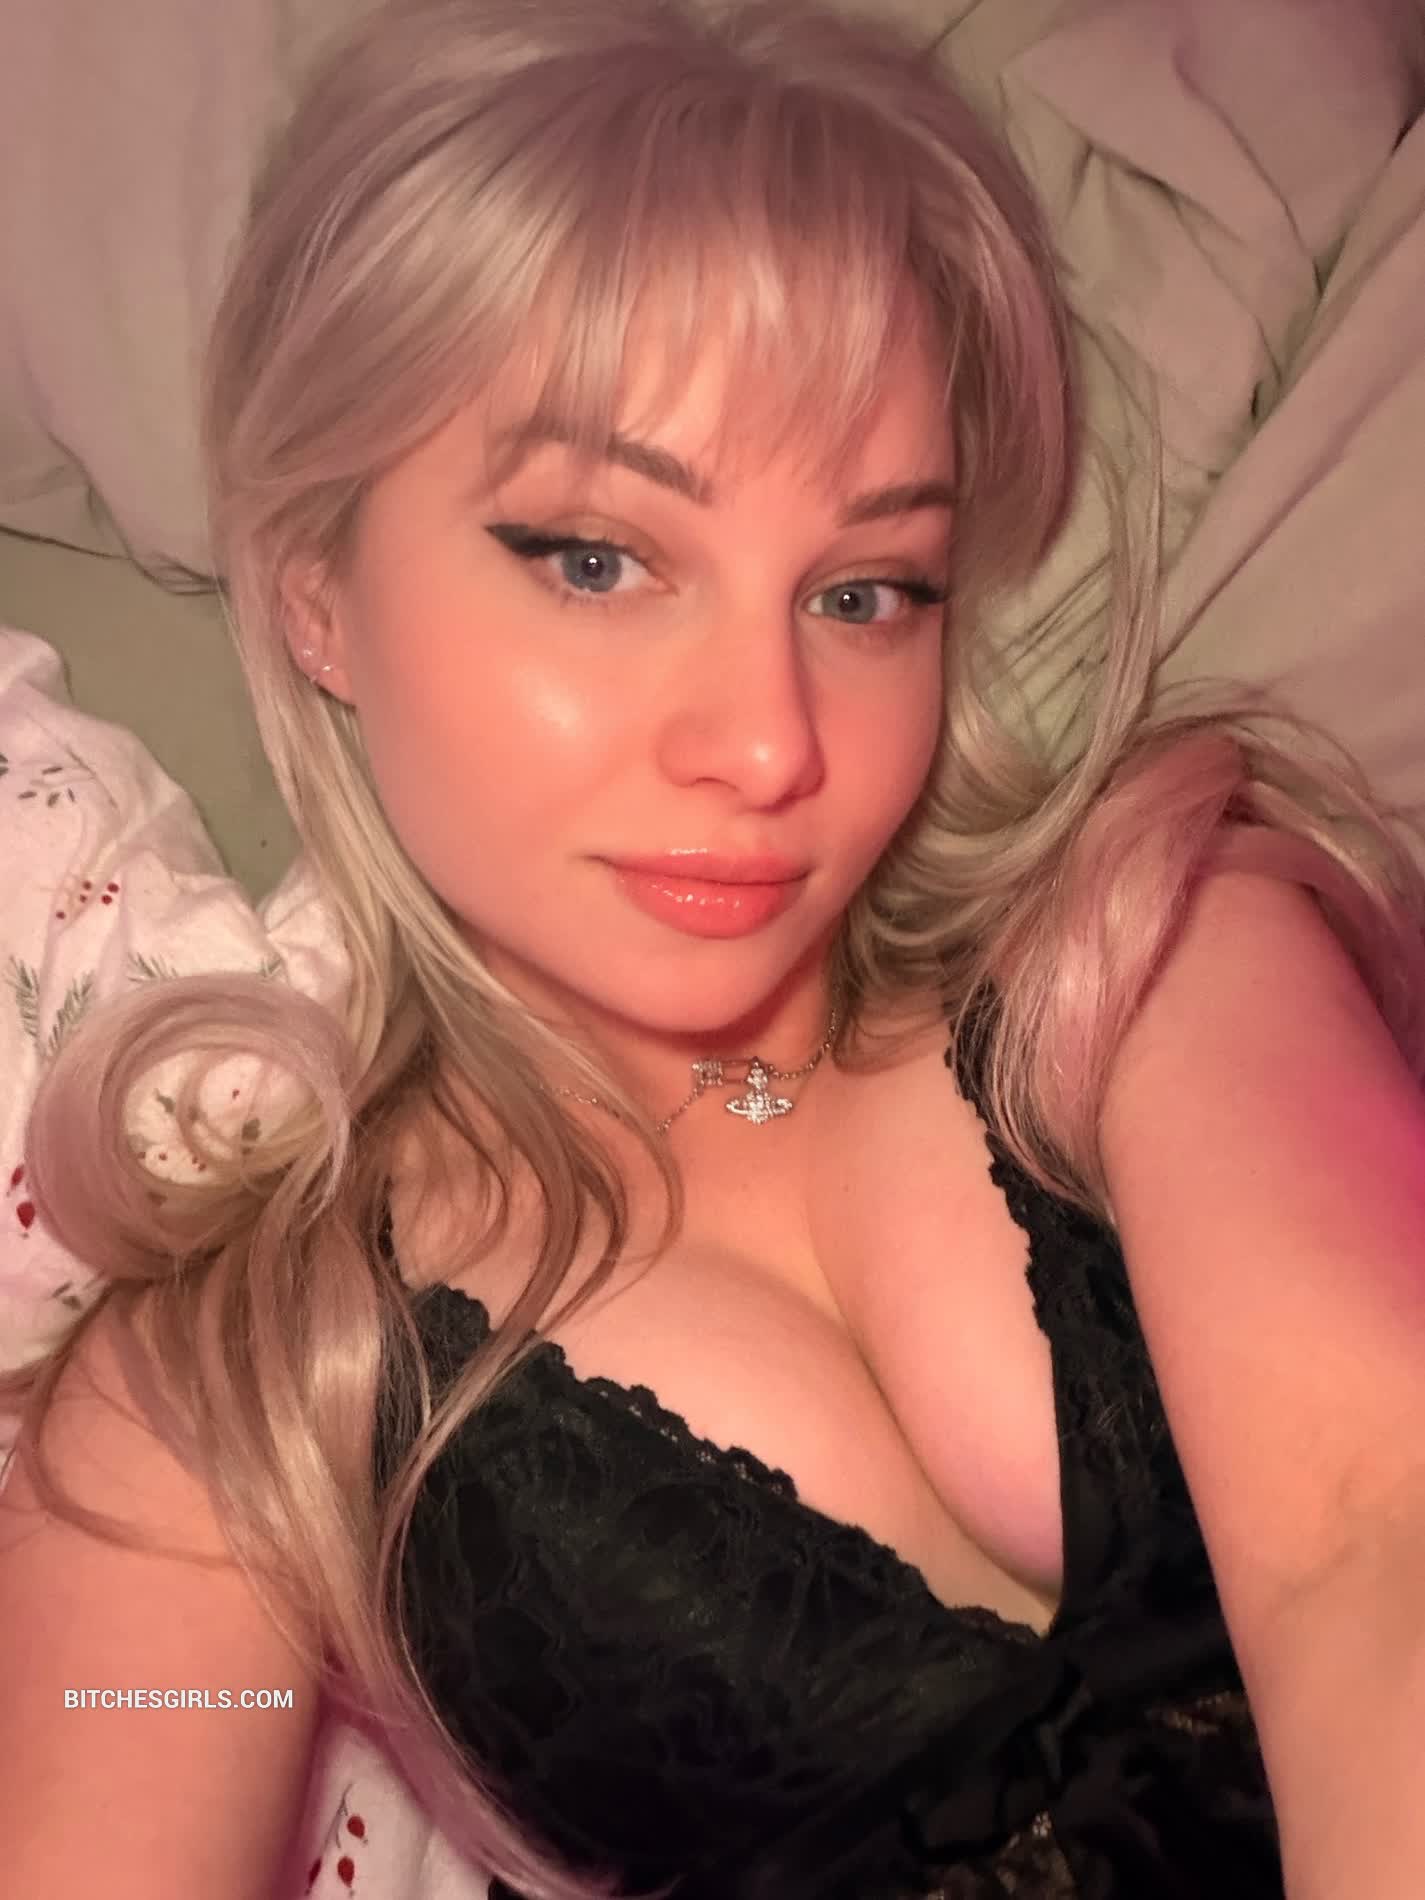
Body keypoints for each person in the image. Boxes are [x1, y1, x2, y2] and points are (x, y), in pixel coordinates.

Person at [4, 0, 1425, 1894]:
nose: (767, 745)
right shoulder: (229, 1394)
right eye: (596, 559)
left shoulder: (1154, 933)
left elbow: (1374, 1541)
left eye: (864, 592)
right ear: (317, 589)